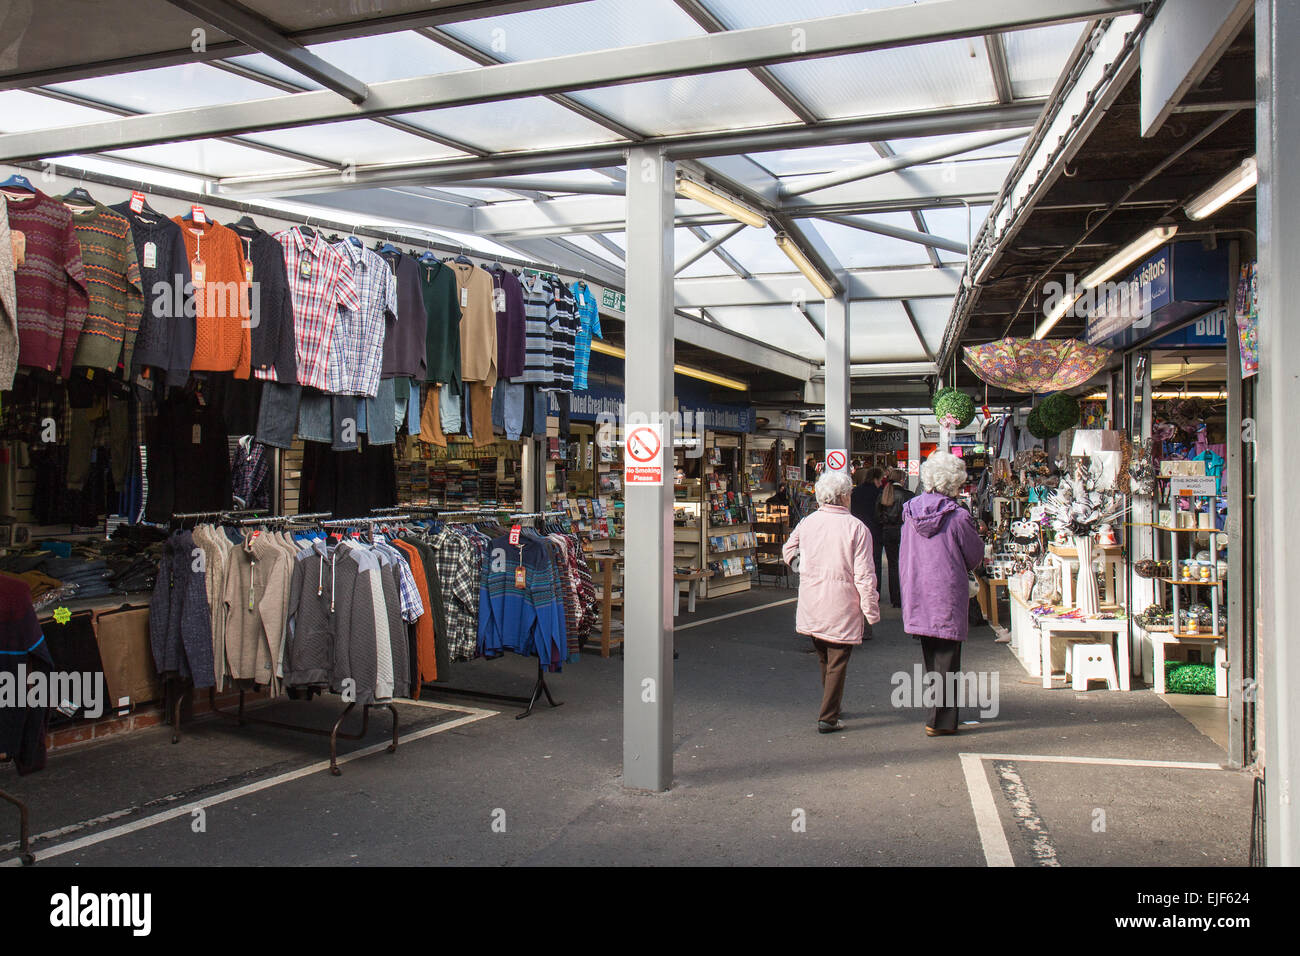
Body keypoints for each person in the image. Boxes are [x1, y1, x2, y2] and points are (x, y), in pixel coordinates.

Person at [783, 470, 880, 734]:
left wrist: (800, 565)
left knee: (825, 656)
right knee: (838, 658)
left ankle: (831, 705)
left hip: (812, 601)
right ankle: (828, 716)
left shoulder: (808, 522)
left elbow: (788, 549)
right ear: (845, 496)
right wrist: (870, 610)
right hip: (842, 604)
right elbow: (864, 575)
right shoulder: (857, 528)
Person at [899, 452, 984, 737]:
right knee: (948, 658)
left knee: (932, 657)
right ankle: (940, 721)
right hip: (946, 592)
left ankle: (937, 713)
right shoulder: (958, 516)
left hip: (919, 589)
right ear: (954, 483)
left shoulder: (909, 510)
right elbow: (974, 556)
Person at [876, 467, 914, 608]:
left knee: (893, 565)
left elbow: (877, 515)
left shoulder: (883, 494)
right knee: (905, 564)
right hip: (904, 532)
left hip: (887, 532)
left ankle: (895, 597)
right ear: (902, 480)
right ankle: (905, 596)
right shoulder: (908, 495)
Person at [850, 466, 885, 595]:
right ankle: (875, 591)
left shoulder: (855, 491)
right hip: (875, 531)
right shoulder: (879, 493)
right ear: (876, 479)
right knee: (875, 562)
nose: (881, 483)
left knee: (858, 562)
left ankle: (859, 590)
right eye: (880, 480)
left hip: (857, 530)